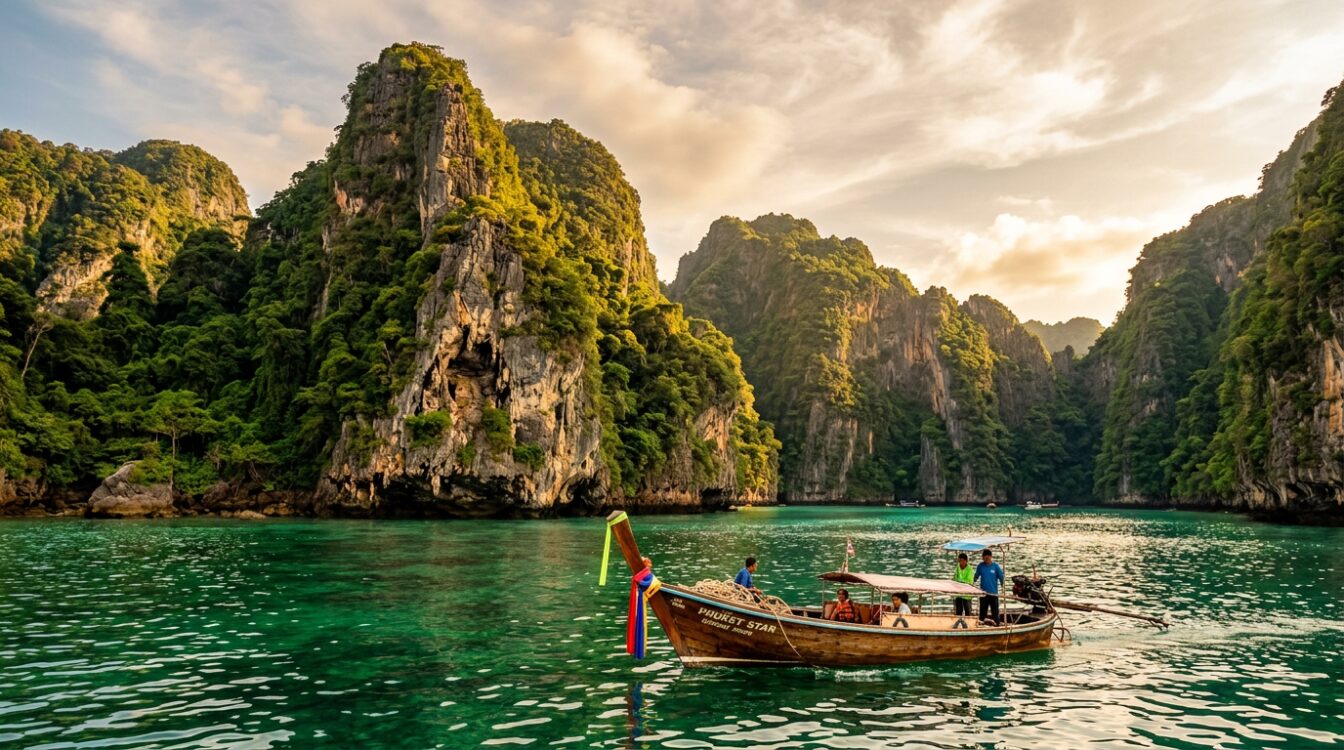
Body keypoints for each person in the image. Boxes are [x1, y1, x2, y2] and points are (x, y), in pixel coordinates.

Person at [974, 548, 1005, 625]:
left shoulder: (996, 567)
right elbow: (975, 577)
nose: (986, 559)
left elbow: (1002, 577)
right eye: (985, 557)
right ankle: (981, 627)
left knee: (995, 613)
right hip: (983, 593)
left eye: (988, 557)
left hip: (993, 594)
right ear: (982, 558)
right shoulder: (980, 566)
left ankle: (997, 625)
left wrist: (1003, 587)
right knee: (982, 613)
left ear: (991, 557)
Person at [953, 552, 975, 617]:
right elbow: (955, 578)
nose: (961, 562)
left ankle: (968, 625)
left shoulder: (970, 569)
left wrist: (959, 581)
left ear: (966, 561)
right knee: (958, 611)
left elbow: (969, 581)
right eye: (960, 561)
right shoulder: (957, 568)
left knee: (968, 611)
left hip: (967, 594)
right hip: (958, 594)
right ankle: (958, 624)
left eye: (963, 561)